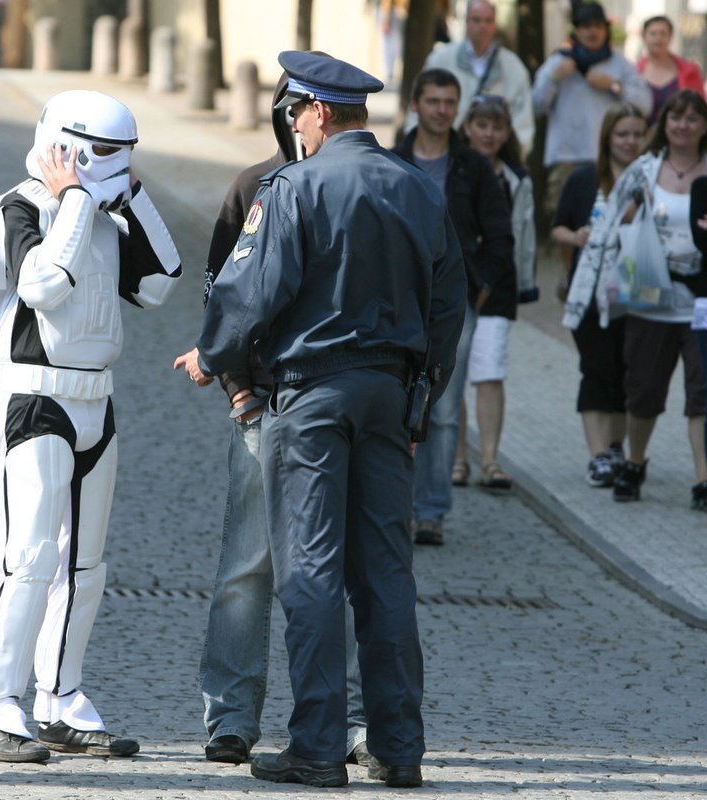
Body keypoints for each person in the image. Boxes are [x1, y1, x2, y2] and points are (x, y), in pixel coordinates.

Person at [174, 51, 466, 789]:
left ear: (318, 113)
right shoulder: (416, 188)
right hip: (387, 396)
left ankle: (316, 747)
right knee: (387, 577)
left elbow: (250, 292)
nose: (293, 126)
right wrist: (420, 399)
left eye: (296, 113)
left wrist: (213, 355)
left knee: (309, 573)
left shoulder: (296, 187)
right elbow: (449, 307)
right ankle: (399, 748)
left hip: (311, 398)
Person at [0, 90, 181, 763]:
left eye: (126, 154)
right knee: (29, 556)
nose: (119, 165)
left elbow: (164, 279)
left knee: (86, 562)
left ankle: (60, 695)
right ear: (65, 144)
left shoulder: (108, 215)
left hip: (96, 398)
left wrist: (132, 196)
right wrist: (74, 197)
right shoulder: (22, 207)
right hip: (35, 396)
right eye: (107, 152)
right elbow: (44, 283)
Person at [196, 70, 369, 769]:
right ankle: (232, 716)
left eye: (304, 111)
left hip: (334, 402)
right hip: (266, 405)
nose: (297, 121)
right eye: (289, 110)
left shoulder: (361, 184)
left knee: (346, 566)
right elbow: (221, 294)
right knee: (249, 565)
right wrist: (237, 390)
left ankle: (351, 719)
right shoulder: (254, 186)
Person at [563, 89, 707, 510]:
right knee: (643, 392)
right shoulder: (645, 169)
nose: (683, 125)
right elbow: (606, 230)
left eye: (692, 118)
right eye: (675, 118)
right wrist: (588, 294)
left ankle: (702, 479)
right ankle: (636, 461)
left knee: (702, 393)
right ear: (664, 124)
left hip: (701, 300)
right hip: (651, 296)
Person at [393, 68, 514, 544]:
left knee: (440, 409)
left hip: (454, 305)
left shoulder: (473, 166)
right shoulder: (393, 159)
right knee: (392, 404)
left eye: (449, 102)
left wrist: (476, 286)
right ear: (416, 104)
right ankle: (392, 507)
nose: (442, 109)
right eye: (433, 100)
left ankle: (431, 512)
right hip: (399, 300)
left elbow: (500, 236)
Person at [552, 103, 647, 486]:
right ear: (608, 136)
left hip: (638, 293)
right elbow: (558, 227)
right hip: (589, 292)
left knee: (627, 376)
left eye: (637, 134)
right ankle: (598, 456)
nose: (630, 141)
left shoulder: (651, 179)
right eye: (622, 134)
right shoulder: (583, 179)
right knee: (595, 371)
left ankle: (615, 446)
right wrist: (575, 237)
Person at [450, 94, 533, 492]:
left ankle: (490, 458)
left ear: (506, 133)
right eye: (481, 125)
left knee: (490, 369)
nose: (488, 133)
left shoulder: (516, 177)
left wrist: (528, 284)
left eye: (496, 127)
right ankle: (458, 456)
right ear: (468, 127)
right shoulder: (455, 168)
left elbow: (524, 235)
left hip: (498, 283)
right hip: (457, 282)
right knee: (455, 370)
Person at [532, 1, 650, 220]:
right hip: (566, 160)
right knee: (564, 224)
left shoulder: (621, 65)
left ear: (606, 30)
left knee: (610, 223)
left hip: (609, 159)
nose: (592, 31)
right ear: (576, 30)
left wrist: (615, 86)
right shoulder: (559, 62)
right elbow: (537, 105)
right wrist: (555, 77)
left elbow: (645, 104)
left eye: (597, 26)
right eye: (585, 26)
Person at [405, 0, 535, 156]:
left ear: (495, 24)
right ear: (467, 22)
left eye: (488, 20)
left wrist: (511, 159)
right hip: (446, 156)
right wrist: (419, 151)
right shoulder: (440, 60)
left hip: (496, 160)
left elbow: (523, 120)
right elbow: (419, 107)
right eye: (476, 20)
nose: (482, 26)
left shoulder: (513, 68)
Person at [638, 15, 705, 127]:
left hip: (681, 136)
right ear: (644, 36)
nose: (658, 38)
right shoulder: (633, 72)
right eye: (653, 33)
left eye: (663, 33)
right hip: (641, 138)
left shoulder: (690, 71)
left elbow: (701, 109)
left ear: (671, 37)